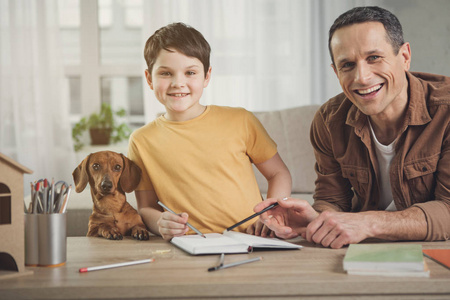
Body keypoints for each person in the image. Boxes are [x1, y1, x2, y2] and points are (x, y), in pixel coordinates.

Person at [254, 6, 450, 248]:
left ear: (405, 57)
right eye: (347, 65)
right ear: (336, 72)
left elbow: (448, 209)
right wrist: (317, 220)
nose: (362, 77)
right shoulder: (328, 121)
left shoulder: (446, 110)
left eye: (374, 58)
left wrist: (367, 223)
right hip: (363, 249)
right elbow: (332, 199)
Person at [128, 22, 291, 240]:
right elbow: (146, 207)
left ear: (206, 76)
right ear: (149, 79)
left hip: (253, 239)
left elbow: (279, 173)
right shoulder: (141, 141)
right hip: (191, 245)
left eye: (190, 72)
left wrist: (270, 216)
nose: (178, 83)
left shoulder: (240, 120)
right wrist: (160, 223)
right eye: (166, 73)